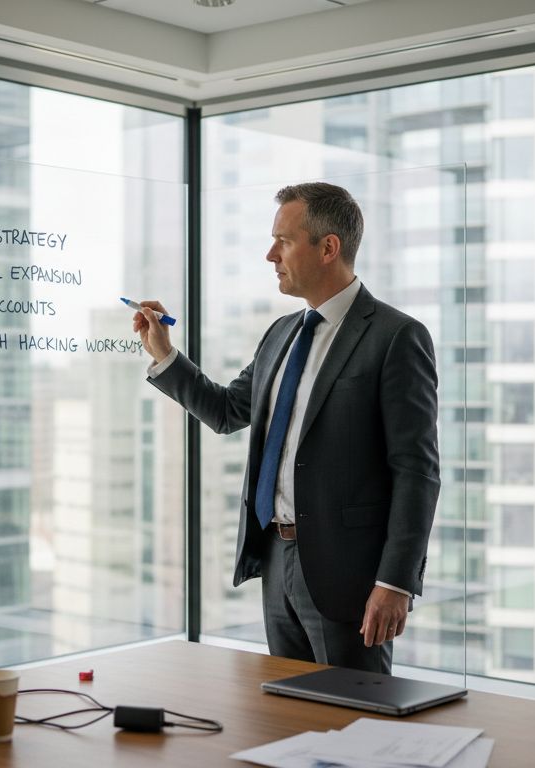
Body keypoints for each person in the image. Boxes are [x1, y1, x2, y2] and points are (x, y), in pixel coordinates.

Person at [132, 182, 439, 674]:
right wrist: (165, 354)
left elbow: (416, 471)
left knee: (356, 725)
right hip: (275, 559)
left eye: (284, 241)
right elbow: (228, 410)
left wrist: (396, 582)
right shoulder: (280, 334)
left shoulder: (395, 337)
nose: (270, 254)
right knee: (290, 719)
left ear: (328, 248)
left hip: (351, 575)